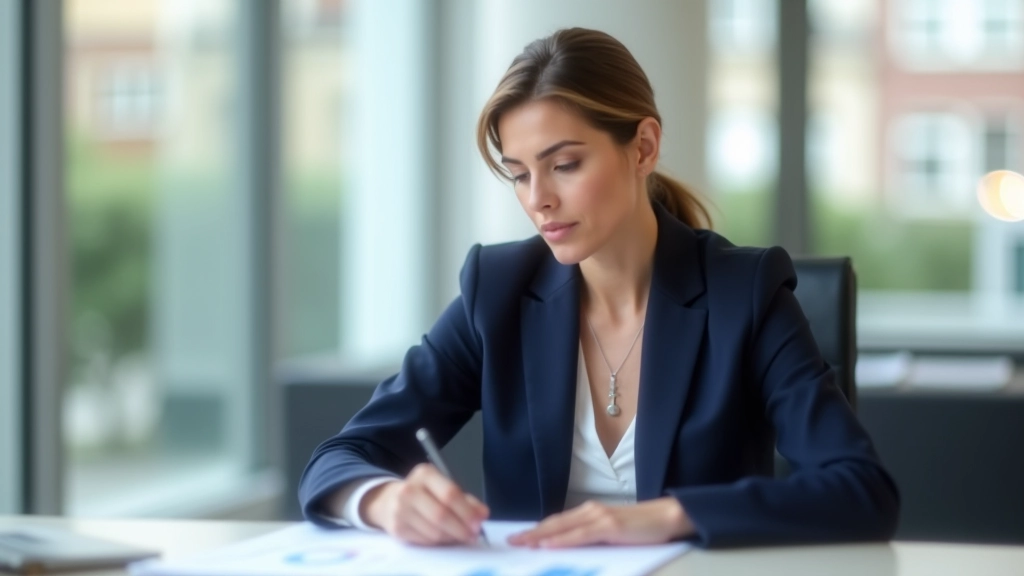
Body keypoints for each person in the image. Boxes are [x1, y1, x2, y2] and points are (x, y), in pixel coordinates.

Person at [298, 27, 899, 549]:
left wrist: (667, 518)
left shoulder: (744, 293)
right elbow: (338, 460)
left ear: (643, 147)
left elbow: (860, 488)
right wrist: (382, 501)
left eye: (565, 165)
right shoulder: (498, 292)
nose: (539, 199)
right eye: (520, 174)